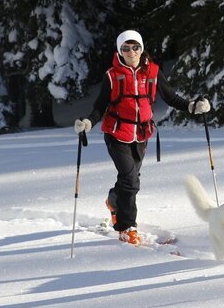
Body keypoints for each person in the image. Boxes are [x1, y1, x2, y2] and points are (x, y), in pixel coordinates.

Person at [74, 30, 212, 245]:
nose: (131, 52)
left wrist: (192, 106)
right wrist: (89, 122)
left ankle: (113, 199)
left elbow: (170, 97)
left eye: (135, 47)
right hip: (116, 134)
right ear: (120, 51)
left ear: (141, 48)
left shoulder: (153, 72)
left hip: (141, 134)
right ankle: (127, 227)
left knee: (129, 179)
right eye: (126, 48)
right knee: (131, 180)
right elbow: (100, 106)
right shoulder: (112, 75)